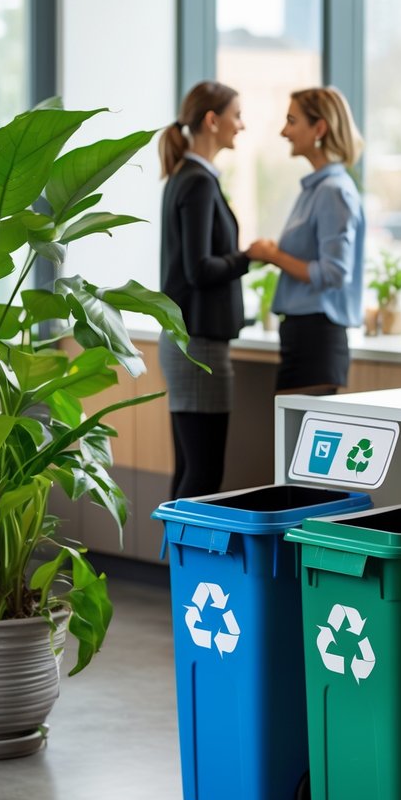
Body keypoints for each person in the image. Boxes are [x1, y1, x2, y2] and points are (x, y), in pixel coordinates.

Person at [158, 80, 250, 498]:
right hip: (199, 345)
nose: (241, 125)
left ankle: (175, 565)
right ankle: (181, 565)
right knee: (203, 475)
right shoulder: (197, 181)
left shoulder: (188, 177)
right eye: (236, 115)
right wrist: (249, 257)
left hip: (191, 341)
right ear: (212, 121)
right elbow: (198, 269)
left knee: (191, 470)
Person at [247, 86, 365, 395]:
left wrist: (275, 256)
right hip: (302, 335)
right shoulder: (316, 189)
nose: (284, 131)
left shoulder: (333, 191)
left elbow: (334, 273)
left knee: (297, 441)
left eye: (292, 120)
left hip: (317, 340)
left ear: (319, 128)